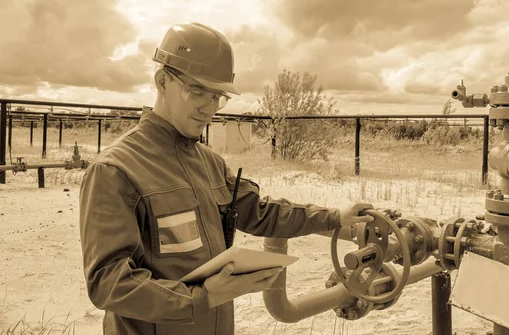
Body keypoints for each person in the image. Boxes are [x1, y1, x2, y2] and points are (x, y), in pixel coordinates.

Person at [79, 22, 375, 335]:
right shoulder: (116, 170)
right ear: (162, 81)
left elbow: (259, 212)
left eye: (217, 96)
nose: (209, 108)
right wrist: (202, 298)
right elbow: (107, 283)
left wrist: (333, 217)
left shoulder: (209, 163)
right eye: (197, 91)